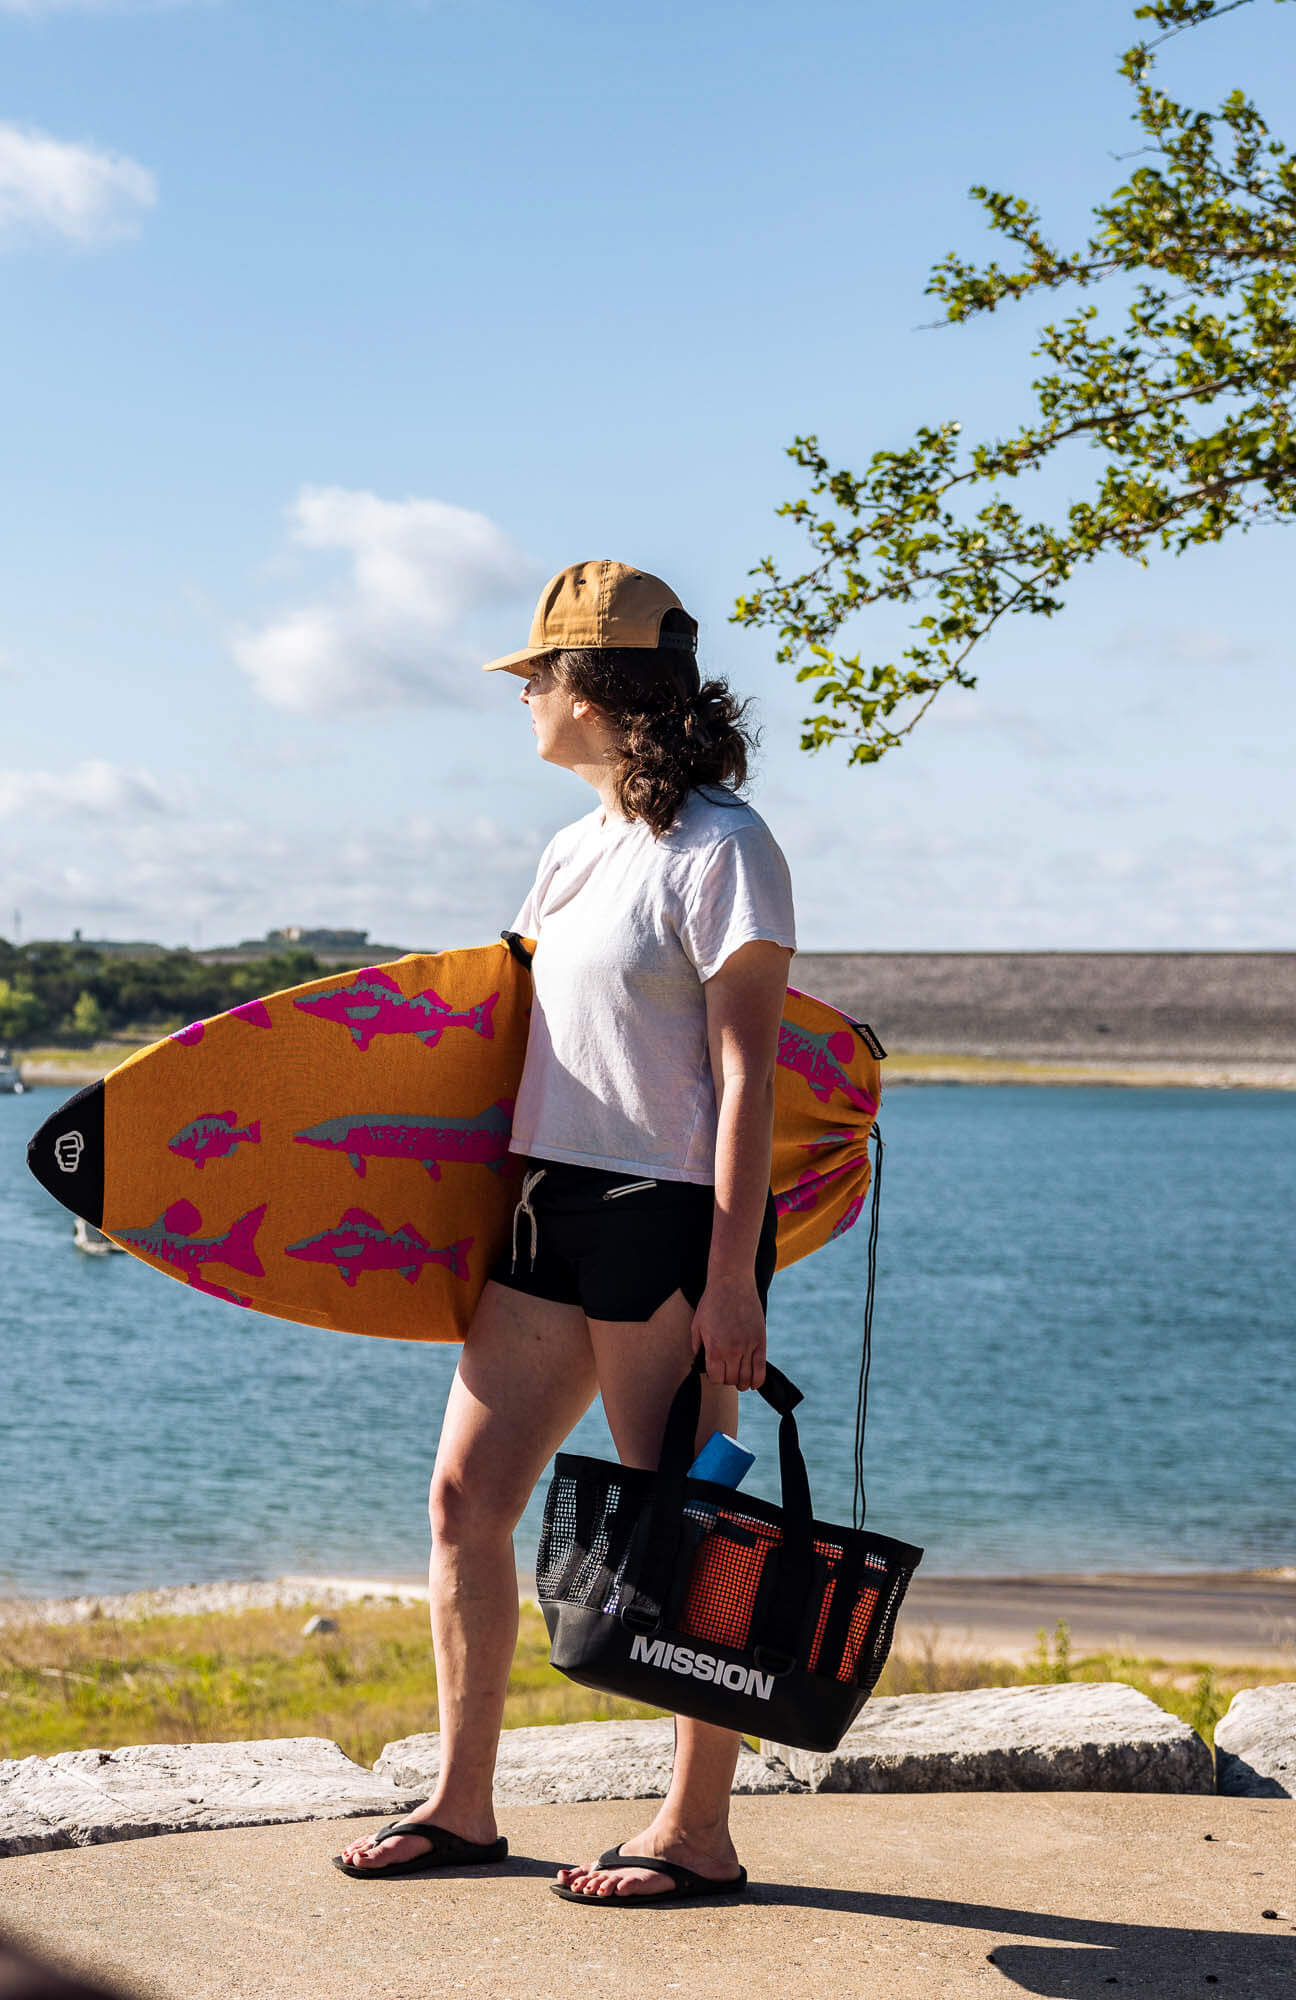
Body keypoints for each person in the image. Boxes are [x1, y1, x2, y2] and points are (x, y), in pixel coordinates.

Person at [334, 560, 795, 1906]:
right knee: (464, 1504)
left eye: (537, 674)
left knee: (681, 1533)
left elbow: (751, 1077)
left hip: (665, 1224)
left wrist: (731, 1279)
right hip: (548, 1208)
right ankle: (463, 1804)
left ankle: (697, 1830)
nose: (524, 697)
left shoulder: (726, 848)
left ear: (592, 686)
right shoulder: (574, 850)